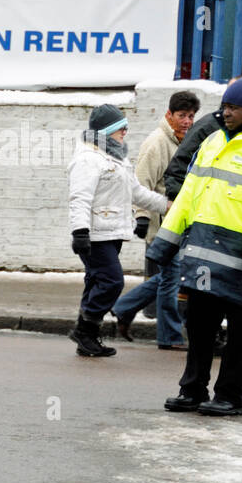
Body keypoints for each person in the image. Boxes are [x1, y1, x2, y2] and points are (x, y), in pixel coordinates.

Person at [150, 75, 242, 417]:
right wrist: (164, 243)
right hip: (203, 256)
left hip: (241, 261)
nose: (225, 113)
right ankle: (192, 389)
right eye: (224, 106)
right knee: (198, 324)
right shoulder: (211, 142)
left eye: (234, 108)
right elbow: (187, 197)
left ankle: (230, 396)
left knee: (239, 330)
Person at [67, 104, 169, 357]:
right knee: (113, 281)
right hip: (94, 234)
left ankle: (87, 337)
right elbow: (79, 198)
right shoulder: (88, 159)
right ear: (107, 130)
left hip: (112, 232)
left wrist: (168, 206)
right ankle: (85, 330)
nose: (125, 130)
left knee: (96, 281)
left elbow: (137, 193)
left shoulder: (117, 158)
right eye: (120, 127)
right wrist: (80, 231)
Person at [112, 90, 199, 349]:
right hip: (160, 223)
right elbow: (141, 183)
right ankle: (169, 337)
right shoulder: (157, 142)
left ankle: (123, 307)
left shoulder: (184, 141)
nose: (187, 121)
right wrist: (141, 216)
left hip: (177, 222)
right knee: (172, 278)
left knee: (171, 277)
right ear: (169, 115)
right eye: (181, 115)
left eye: (191, 116)